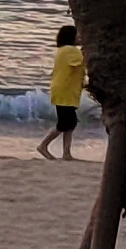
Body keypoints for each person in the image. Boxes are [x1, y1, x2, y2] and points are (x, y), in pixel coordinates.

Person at [36, 24, 85, 161]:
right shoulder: (70, 50)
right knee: (66, 123)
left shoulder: (63, 50)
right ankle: (43, 145)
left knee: (71, 122)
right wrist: (88, 50)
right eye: (78, 35)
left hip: (65, 90)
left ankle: (67, 153)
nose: (80, 37)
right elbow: (81, 62)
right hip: (65, 91)